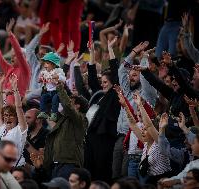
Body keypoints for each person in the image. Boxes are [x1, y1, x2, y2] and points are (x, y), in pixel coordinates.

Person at [113, 41, 157, 180]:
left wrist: (144, 58)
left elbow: (145, 78)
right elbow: (121, 70)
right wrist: (133, 52)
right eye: (130, 75)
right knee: (116, 175)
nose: (131, 77)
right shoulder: (127, 92)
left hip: (139, 139)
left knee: (127, 178)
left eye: (134, 75)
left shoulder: (147, 93)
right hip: (121, 137)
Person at [84, 38, 121, 183]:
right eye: (102, 82)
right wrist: (91, 52)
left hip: (105, 138)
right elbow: (92, 78)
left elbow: (116, 72)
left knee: (101, 172)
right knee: (89, 170)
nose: (103, 85)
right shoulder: (100, 95)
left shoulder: (114, 95)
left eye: (106, 82)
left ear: (113, 84)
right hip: (92, 137)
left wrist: (111, 49)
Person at [43, 83, 88, 179]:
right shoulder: (63, 119)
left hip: (70, 164)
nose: (64, 104)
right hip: (57, 163)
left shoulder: (81, 119)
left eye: (71, 101)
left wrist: (59, 87)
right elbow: (49, 112)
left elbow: (68, 107)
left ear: (77, 106)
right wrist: (47, 88)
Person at [37, 52, 66, 121]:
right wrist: (41, 79)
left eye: (47, 63)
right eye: (44, 63)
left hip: (57, 92)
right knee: (43, 97)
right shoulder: (44, 72)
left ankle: (54, 114)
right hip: (48, 91)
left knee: (55, 99)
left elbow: (64, 79)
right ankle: (43, 112)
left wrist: (58, 76)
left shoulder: (58, 71)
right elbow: (39, 79)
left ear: (53, 64)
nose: (45, 65)